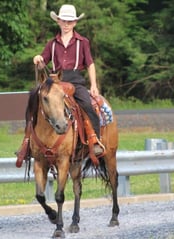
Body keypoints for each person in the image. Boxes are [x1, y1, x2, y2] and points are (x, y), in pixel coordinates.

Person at [33, 4, 105, 157]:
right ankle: (28, 143)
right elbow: (43, 61)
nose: (66, 24)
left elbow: (90, 64)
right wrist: (38, 58)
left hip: (75, 81)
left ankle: (95, 140)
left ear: (75, 23)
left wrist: (93, 85)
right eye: (64, 21)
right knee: (34, 102)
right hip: (55, 82)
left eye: (70, 21)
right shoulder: (52, 43)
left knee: (87, 105)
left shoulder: (83, 42)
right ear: (58, 21)